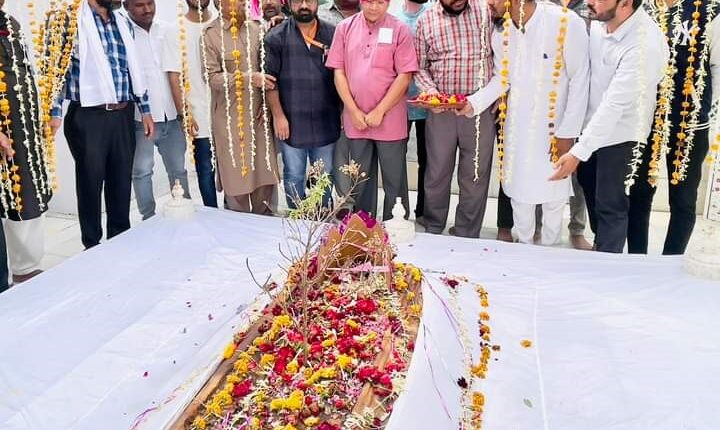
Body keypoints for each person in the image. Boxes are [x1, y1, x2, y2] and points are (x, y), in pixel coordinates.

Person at [462, 0, 589, 245]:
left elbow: (580, 79)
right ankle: (523, 255)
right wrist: (472, 104)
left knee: (554, 202)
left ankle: (550, 256)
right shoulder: (501, 32)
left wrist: (568, 134)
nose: (488, 3)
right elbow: (502, 79)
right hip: (516, 130)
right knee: (520, 198)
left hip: (555, 132)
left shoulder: (564, 22)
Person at [551, 0, 669, 253]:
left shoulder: (644, 45)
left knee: (610, 205)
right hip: (590, 128)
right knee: (590, 192)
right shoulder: (600, 21)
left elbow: (614, 106)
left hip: (621, 135)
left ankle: (606, 267)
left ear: (625, 2)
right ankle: (600, 248)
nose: (589, 2)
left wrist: (577, 152)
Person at [50, 0, 154, 249]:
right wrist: (54, 112)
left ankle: (120, 240)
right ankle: (92, 245)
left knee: (120, 181)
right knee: (90, 182)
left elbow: (132, 69)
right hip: (88, 116)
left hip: (122, 114)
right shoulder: (68, 19)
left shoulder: (122, 21)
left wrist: (145, 110)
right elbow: (55, 68)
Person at [627, 0, 720, 255]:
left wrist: (704, 111)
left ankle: (670, 263)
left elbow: (717, 68)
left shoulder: (709, 11)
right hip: (647, 119)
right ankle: (637, 259)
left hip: (690, 124)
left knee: (682, 199)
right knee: (639, 192)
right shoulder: (642, 7)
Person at [326, 0, 417, 220]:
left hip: (390, 118)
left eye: (380, 2)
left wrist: (380, 110)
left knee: (394, 178)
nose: (374, 7)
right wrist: (353, 110)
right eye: (369, 1)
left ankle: (396, 225)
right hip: (357, 120)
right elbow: (338, 72)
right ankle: (363, 225)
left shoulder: (400, 29)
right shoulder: (345, 28)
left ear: (388, 3)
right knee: (361, 178)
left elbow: (405, 76)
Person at [414, 0, 494, 238]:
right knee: (437, 172)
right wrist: (432, 94)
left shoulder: (486, 11)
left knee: (475, 175)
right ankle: (434, 226)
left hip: (479, 108)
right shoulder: (426, 20)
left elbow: (501, 54)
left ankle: (466, 232)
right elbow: (419, 67)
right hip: (442, 111)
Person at [205, 0, 279, 213]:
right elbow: (212, 78)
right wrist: (248, 78)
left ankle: (265, 233)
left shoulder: (257, 29)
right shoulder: (210, 34)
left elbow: (269, 71)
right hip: (230, 123)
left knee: (264, 181)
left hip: (259, 118)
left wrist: (267, 105)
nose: (240, 5)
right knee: (236, 182)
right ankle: (238, 235)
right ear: (220, 4)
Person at [265, 0, 341, 209]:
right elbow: (270, 82)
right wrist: (279, 116)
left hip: (327, 118)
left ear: (317, 3)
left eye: (309, 0)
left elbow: (342, 76)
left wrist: (344, 112)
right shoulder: (275, 36)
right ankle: (298, 222)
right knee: (294, 175)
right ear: (289, 4)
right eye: (298, 1)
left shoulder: (333, 34)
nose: (304, 5)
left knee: (324, 177)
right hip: (292, 121)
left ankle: (322, 219)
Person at [124, 0, 190, 221]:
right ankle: (148, 218)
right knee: (142, 171)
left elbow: (177, 72)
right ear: (126, 6)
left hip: (171, 115)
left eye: (150, 3)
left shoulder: (168, 29)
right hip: (140, 118)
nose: (147, 9)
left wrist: (183, 113)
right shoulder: (124, 33)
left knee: (178, 169)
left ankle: (184, 210)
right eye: (140, 5)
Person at [0, 3, 51, 285]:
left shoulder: (12, 22)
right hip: (3, 131)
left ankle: (26, 268)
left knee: (25, 196)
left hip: (22, 128)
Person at [164, 0, 218, 209]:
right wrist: (185, 113)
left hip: (227, 111)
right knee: (205, 169)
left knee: (232, 168)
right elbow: (174, 75)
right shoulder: (175, 30)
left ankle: (233, 214)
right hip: (198, 114)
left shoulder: (221, 24)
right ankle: (212, 215)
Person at [318, 0, 366, 218]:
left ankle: (362, 203)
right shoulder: (320, 14)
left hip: (364, 98)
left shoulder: (372, 13)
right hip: (329, 94)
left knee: (361, 152)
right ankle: (344, 202)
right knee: (338, 152)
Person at [392, 0, 430, 223]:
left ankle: (424, 211)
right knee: (396, 159)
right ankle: (398, 210)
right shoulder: (395, 17)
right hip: (399, 103)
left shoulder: (433, 14)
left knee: (428, 160)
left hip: (428, 103)